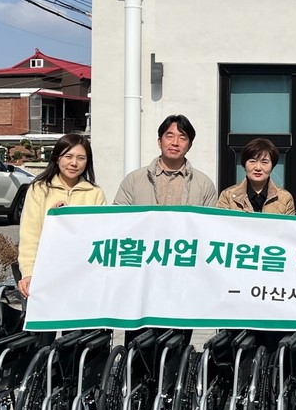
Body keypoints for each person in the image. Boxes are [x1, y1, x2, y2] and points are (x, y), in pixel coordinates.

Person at [17, 133, 105, 298]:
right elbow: (30, 235)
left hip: (84, 275)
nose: (74, 163)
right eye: (68, 156)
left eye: (81, 158)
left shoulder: (95, 193)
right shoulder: (39, 189)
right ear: (57, 158)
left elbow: (100, 237)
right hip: (47, 272)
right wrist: (29, 273)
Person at [113, 114, 217, 206]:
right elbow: (119, 217)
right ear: (159, 142)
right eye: (170, 136)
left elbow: (210, 220)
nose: (175, 143)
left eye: (182, 138)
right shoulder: (133, 180)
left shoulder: (204, 185)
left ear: (189, 146)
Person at [217, 137, 295, 214]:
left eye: (264, 162)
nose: (258, 168)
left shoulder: (285, 198)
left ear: (272, 166)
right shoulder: (227, 196)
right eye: (252, 161)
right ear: (244, 164)